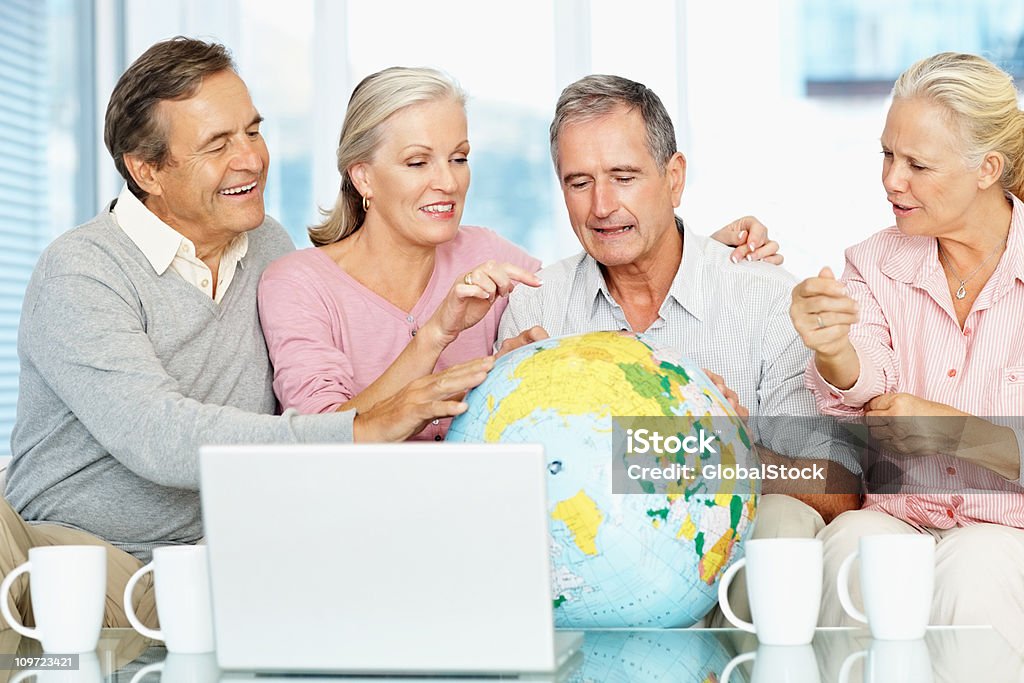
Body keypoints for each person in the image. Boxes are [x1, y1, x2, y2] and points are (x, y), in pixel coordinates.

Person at [0, 38, 490, 632]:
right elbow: (159, 436)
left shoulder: (268, 248)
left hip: (224, 560)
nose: (251, 160)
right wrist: (359, 431)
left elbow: (324, 385)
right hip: (81, 555)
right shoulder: (83, 269)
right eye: (217, 145)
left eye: (252, 132)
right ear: (146, 170)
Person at [495, 74, 862, 625]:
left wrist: (730, 455)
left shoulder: (766, 300)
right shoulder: (536, 310)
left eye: (624, 176)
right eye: (578, 182)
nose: (601, 206)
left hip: (734, 603)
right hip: (585, 607)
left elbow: (838, 488)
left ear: (674, 178)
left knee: (786, 523)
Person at [257, 67, 780, 441]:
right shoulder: (297, 283)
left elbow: (612, 266)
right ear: (363, 175)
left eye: (459, 158)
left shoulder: (491, 257)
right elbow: (317, 443)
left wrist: (698, 250)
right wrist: (438, 336)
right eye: (418, 162)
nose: (447, 182)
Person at [789, 52, 1024, 650]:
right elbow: (867, 377)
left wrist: (960, 433)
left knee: (976, 564)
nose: (893, 180)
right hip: (901, 515)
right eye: (888, 155)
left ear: (987, 168)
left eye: (918, 164)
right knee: (848, 546)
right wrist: (834, 347)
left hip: (1009, 530)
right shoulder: (871, 261)